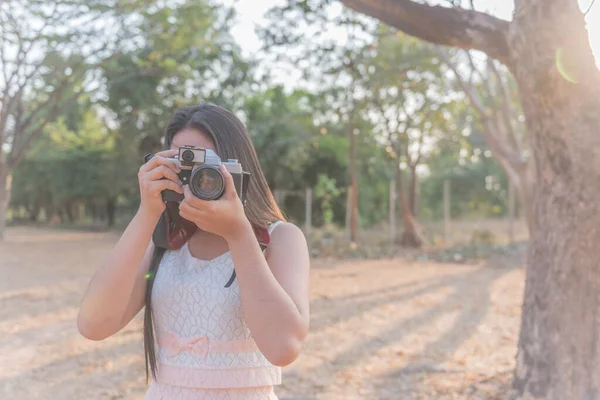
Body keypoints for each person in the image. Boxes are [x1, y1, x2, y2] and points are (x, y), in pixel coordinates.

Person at [77, 103, 310, 400]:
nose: (196, 179)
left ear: (236, 167)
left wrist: (238, 234)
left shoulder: (280, 239)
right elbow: (93, 325)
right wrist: (148, 213)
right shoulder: (165, 241)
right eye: (181, 164)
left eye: (207, 167)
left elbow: (283, 347)